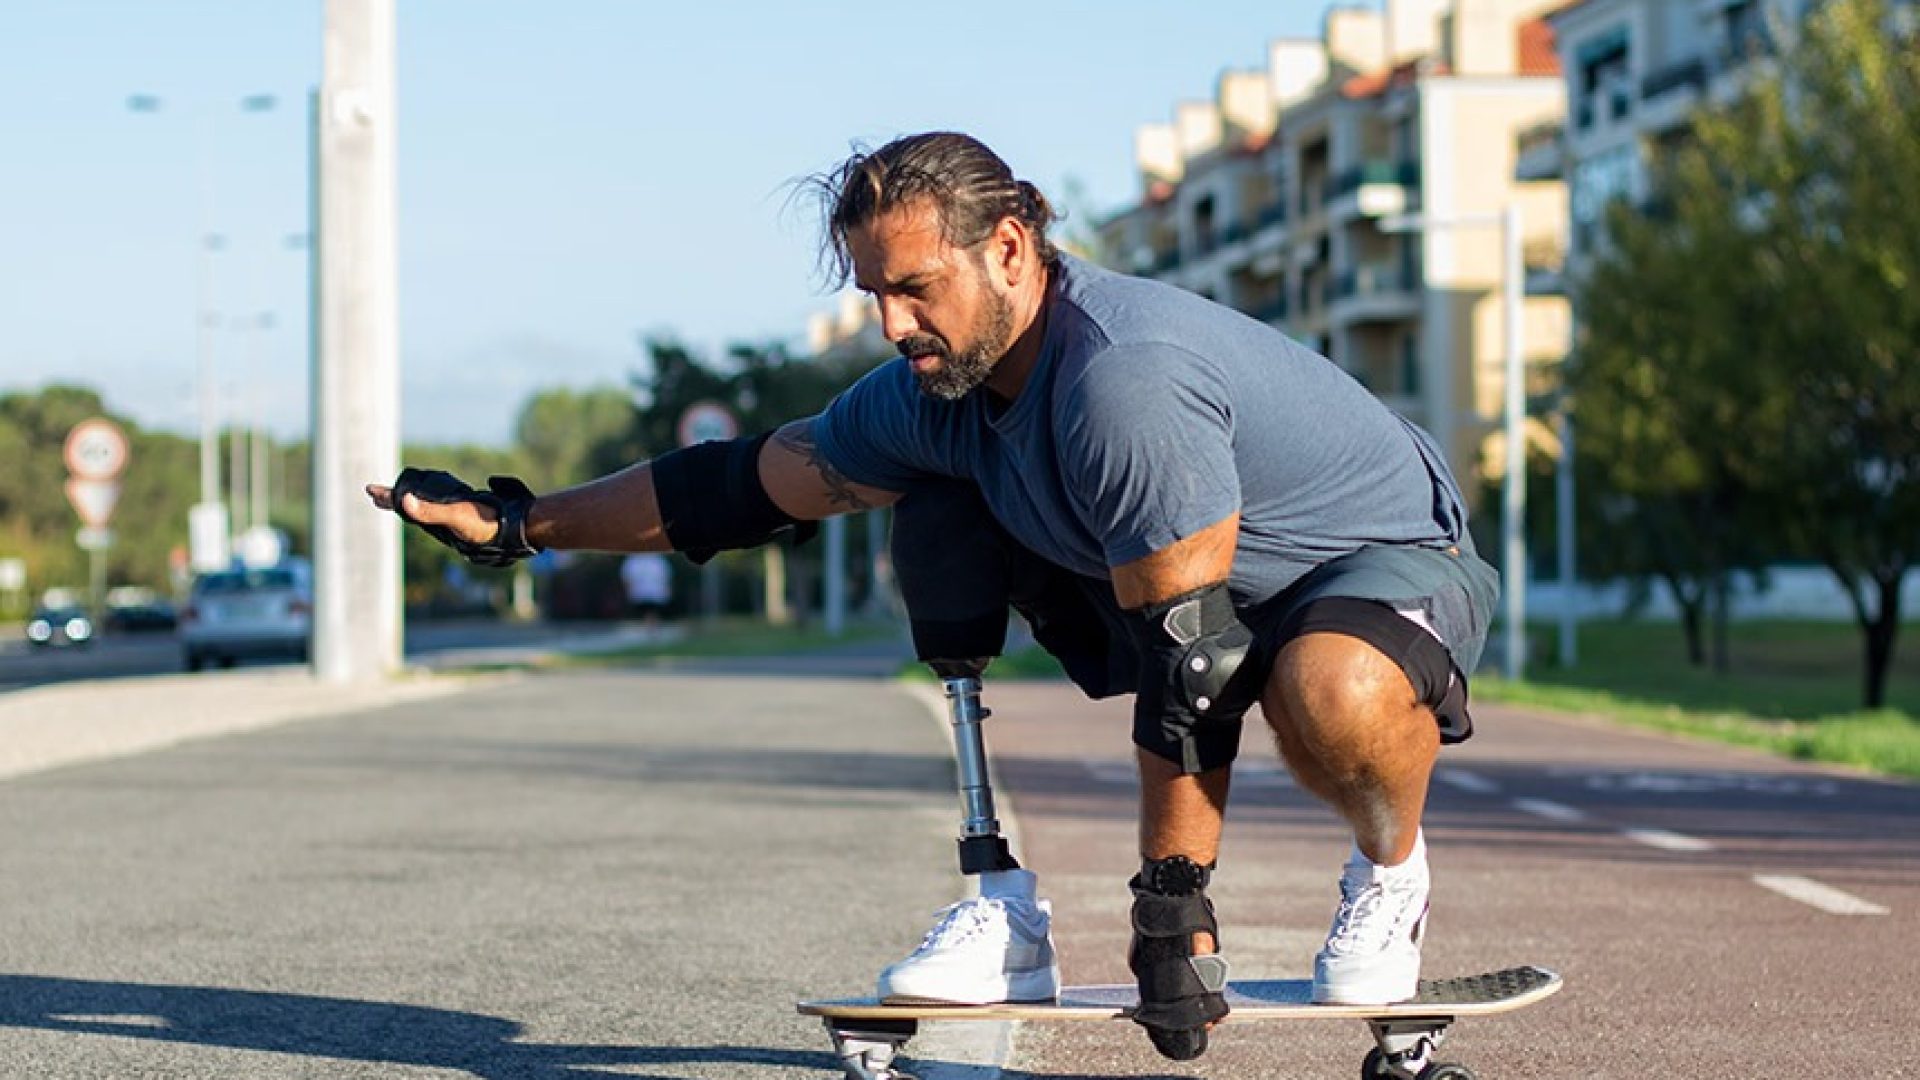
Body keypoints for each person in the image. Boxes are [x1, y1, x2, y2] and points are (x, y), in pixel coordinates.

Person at [366, 131, 1497, 1062]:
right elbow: (739, 486)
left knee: (1325, 687)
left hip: (1367, 567)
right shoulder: (935, 387)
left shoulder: (1122, 382)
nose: (894, 325)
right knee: (936, 503)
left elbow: (1187, 664)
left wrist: (1172, 909)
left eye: (915, 288)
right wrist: (521, 523)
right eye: (874, 295)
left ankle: (1390, 877)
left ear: (1010, 249)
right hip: (1190, 595)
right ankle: (1003, 911)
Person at [619, 551, 673, 628]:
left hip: (655, 592)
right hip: (641, 593)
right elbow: (627, 577)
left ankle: (651, 628)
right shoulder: (634, 560)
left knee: (651, 610)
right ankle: (651, 628)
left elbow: (666, 575)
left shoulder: (657, 558)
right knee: (649, 611)